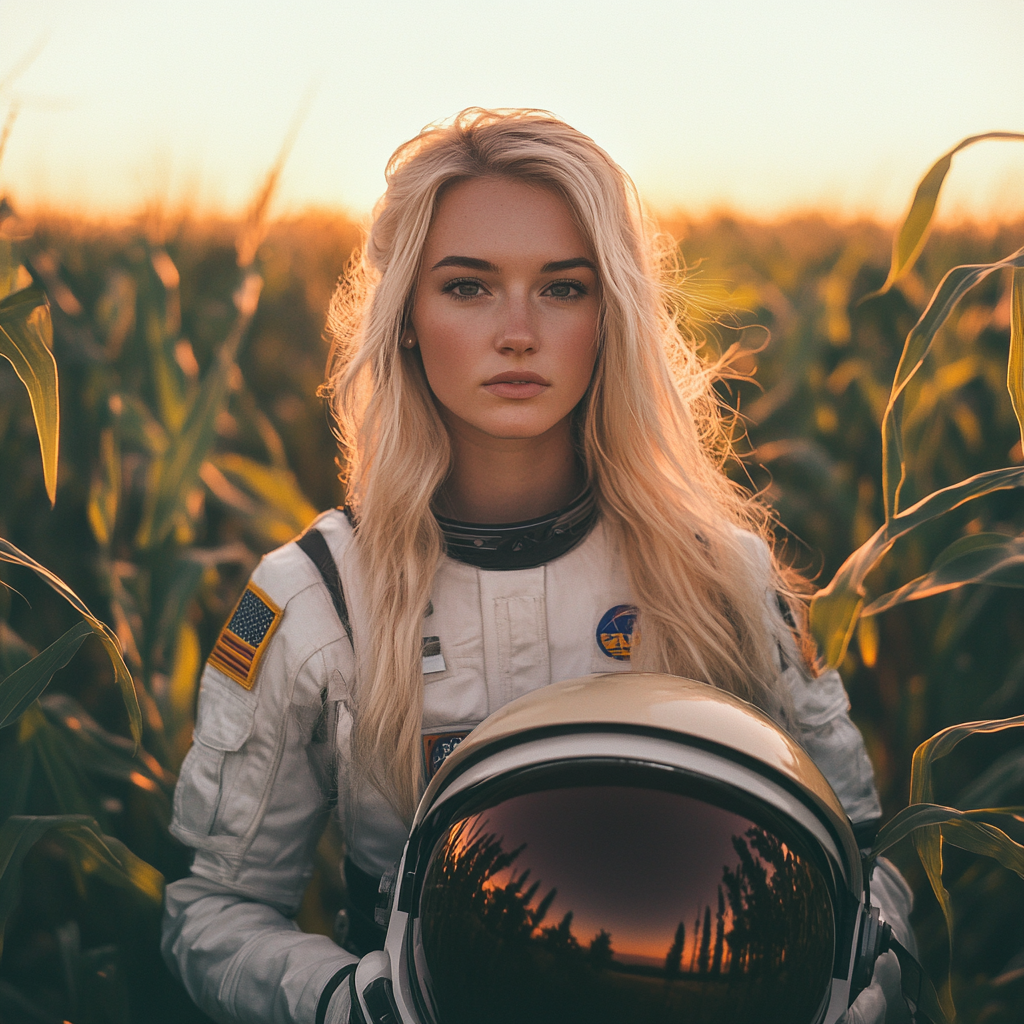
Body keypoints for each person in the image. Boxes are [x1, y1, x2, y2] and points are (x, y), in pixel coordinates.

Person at [162, 108, 914, 1024]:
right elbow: (212, 911)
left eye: (562, 289)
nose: (517, 332)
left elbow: (865, 857)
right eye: (469, 288)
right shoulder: (320, 602)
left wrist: (865, 973)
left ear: (613, 316)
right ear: (403, 317)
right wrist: (347, 1001)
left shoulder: (723, 578)